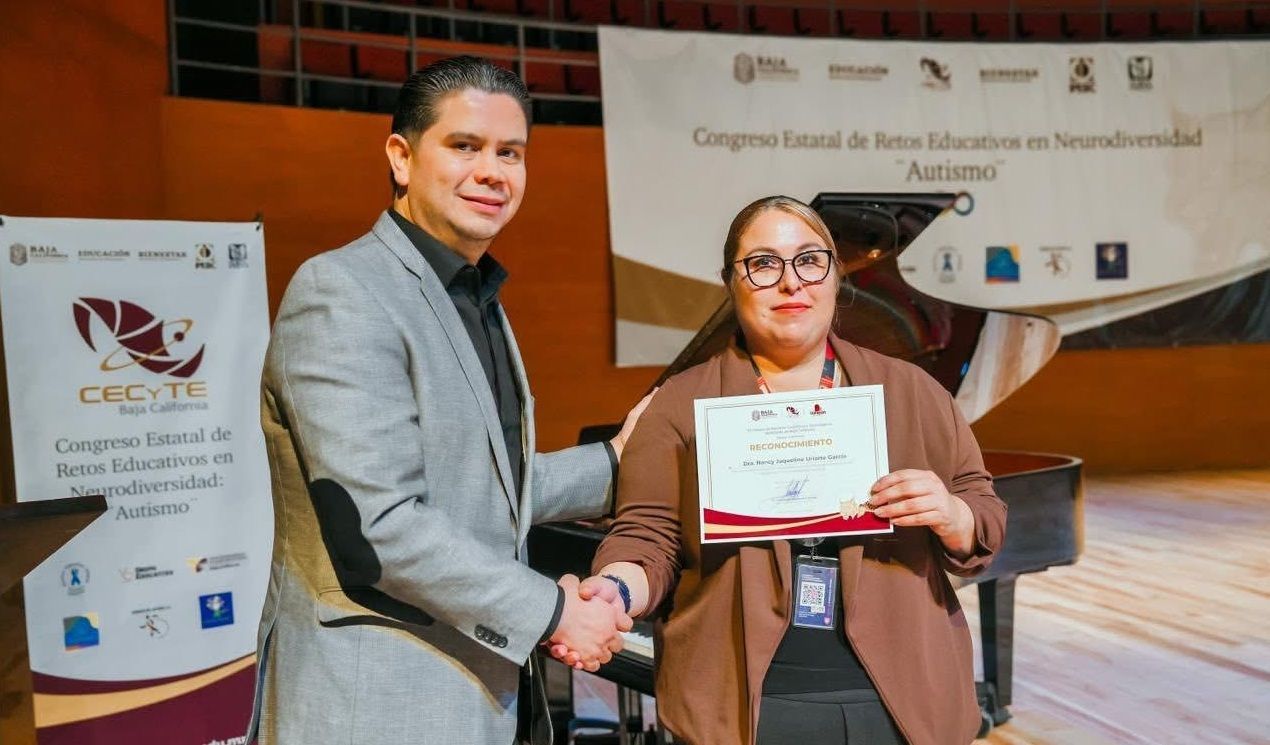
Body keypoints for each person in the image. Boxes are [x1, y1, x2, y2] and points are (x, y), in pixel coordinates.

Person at [245, 56, 652, 745]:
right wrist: (556, 611)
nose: (493, 171)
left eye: (510, 153)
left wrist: (617, 461)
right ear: (402, 157)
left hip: (472, 694)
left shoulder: (471, 296)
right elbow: (382, 526)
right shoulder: (344, 291)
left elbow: (477, 484)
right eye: (465, 146)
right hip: (374, 703)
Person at [571, 196, 1007, 744]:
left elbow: (982, 509)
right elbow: (648, 538)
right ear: (730, 281)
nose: (790, 283)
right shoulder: (679, 404)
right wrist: (616, 589)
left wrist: (953, 513)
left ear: (835, 274)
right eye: (763, 264)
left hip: (900, 696)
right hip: (746, 703)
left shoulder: (912, 391)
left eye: (809, 260)